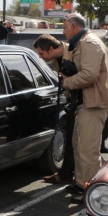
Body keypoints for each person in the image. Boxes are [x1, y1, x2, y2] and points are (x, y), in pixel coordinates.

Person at [60, 12, 108, 199]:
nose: (63, 32)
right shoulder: (84, 41)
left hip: (94, 103)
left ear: (74, 27)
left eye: (64, 27)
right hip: (88, 101)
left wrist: (67, 82)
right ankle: (82, 184)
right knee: (79, 145)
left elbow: (89, 75)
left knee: (87, 149)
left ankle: (91, 192)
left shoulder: (88, 43)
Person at [33, 34, 75, 185]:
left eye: (42, 53)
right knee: (71, 138)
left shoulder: (74, 52)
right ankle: (66, 173)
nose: (40, 57)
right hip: (72, 98)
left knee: (79, 141)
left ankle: (80, 177)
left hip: (86, 101)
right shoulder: (56, 58)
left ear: (51, 48)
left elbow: (87, 75)